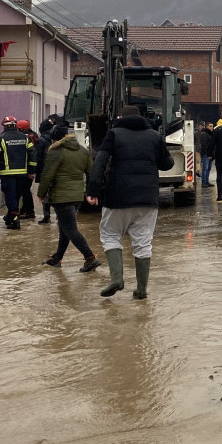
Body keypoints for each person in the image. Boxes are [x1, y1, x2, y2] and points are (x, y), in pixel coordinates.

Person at [87, 105, 174, 300]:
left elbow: (100, 161)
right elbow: (168, 164)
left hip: (118, 195)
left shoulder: (114, 134)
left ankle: (117, 279)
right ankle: (141, 290)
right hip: (148, 198)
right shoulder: (153, 136)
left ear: (120, 117)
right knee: (143, 242)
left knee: (110, 234)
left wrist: (92, 189)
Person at [37, 125, 101, 272]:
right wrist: (91, 192)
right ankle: (57, 258)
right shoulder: (83, 151)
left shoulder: (55, 152)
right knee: (64, 227)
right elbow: (92, 173)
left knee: (70, 228)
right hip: (77, 195)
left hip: (61, 196)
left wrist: (41, 193)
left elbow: (47, 175)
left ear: (54, 139)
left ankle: (90, 258)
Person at [0, 116, 36, 230]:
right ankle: (10, 216)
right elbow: (33, 154)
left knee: (10, 196)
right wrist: (31, 171)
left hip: (7, 174)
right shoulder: (25, 138)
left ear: (4, 126)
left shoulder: (0, 138)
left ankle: (14, 218)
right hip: (23, 174)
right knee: (17, 196)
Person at [33, 120, 55, 223]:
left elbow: (37, 157)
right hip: (56, 171)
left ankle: (47, 216)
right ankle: (59, 216)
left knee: (45, 194)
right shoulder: (55, 139)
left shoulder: (40, 141)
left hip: (44, 171)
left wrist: (34, 171)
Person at [16, 120, 38, 219]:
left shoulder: (25, 137)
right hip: (29, 168)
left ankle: (29, 211)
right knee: (26, 190)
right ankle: (25, 210)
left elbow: (30, 154)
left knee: (25, 191)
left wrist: (30, 171)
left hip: (26, 168)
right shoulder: (34, 135)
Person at [198, 121, 214, 187]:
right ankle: (204, 182)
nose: (212, 127)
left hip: (210, 154)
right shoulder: (204, 134)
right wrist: (208, 154)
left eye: (212, 126)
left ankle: (207, 181)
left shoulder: (211, 134)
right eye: (210, 126)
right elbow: (204, 146)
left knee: (209, 168)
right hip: (206, 154)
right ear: (207, 126)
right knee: (205, 168)